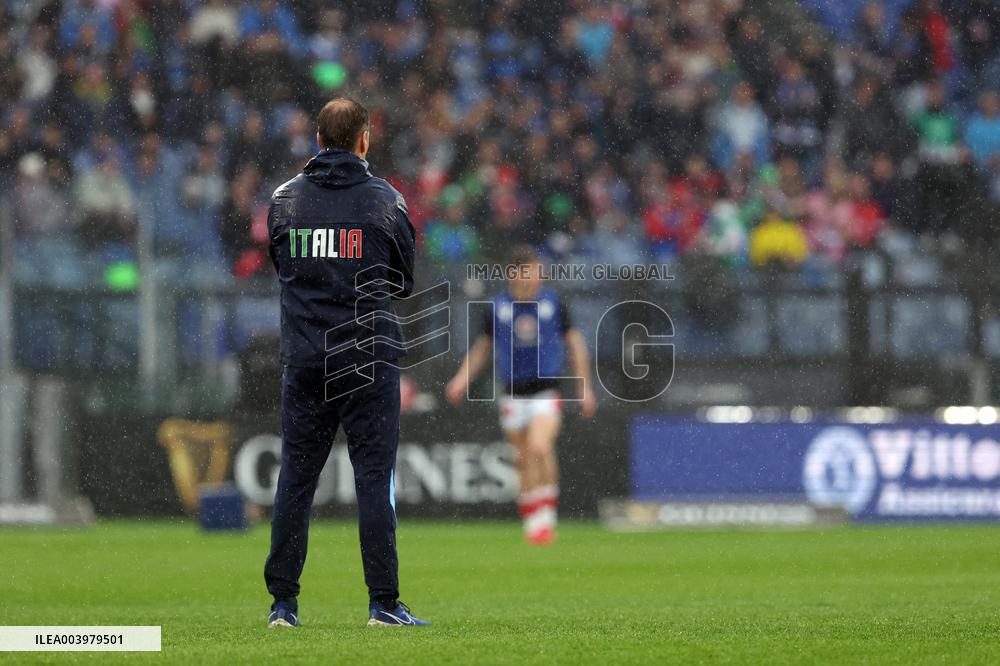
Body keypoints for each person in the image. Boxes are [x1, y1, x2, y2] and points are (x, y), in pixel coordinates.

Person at [263, 98, 428, 628]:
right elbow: (404, 279)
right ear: (364, 140)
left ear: (316, 139)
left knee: (296, 481)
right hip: (367, 358)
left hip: (306, 361)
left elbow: (282, 268)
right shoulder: (386, 201)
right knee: (374, 481)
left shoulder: (284, 201)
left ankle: (283, 605)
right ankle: (383, 603)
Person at [445, 245, 597, 545]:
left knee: (539, 446)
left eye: (537, 270)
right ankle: (532, 521)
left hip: (545, 390)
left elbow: (576, 345)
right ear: (514, 274)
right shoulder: (497, 306)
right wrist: (460, 380)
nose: (535, 276)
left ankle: (546, 518)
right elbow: (482, 348)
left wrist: (585, 387)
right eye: (529, 270)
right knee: (524, 458)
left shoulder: (554, 302)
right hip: (512, 393)